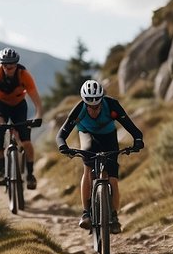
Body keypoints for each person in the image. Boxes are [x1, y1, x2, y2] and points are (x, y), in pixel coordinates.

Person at [56, 79, 144, 233]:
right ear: (85, 103)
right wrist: (63, 146)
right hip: (87, 135)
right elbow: (61, 135)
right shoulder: (79, 109)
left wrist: (137, 140)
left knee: (113, 180)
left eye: (97, 106)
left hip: (108, 136)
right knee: (88, 169)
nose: (94, 110)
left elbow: (132, 128)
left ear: (102, 100)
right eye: (91, 106)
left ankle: (114, 217)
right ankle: (86, 213)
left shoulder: (112, 105)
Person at [0, 47, 44, 189]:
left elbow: (36, 99)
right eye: (5, 66)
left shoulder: (24, 75)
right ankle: (1, 170)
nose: (8, 69)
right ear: (1, 65)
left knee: (26, 141)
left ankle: (30, 174)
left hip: (19, 106)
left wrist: (39, 116)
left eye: (12, 66)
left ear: (16, 64)